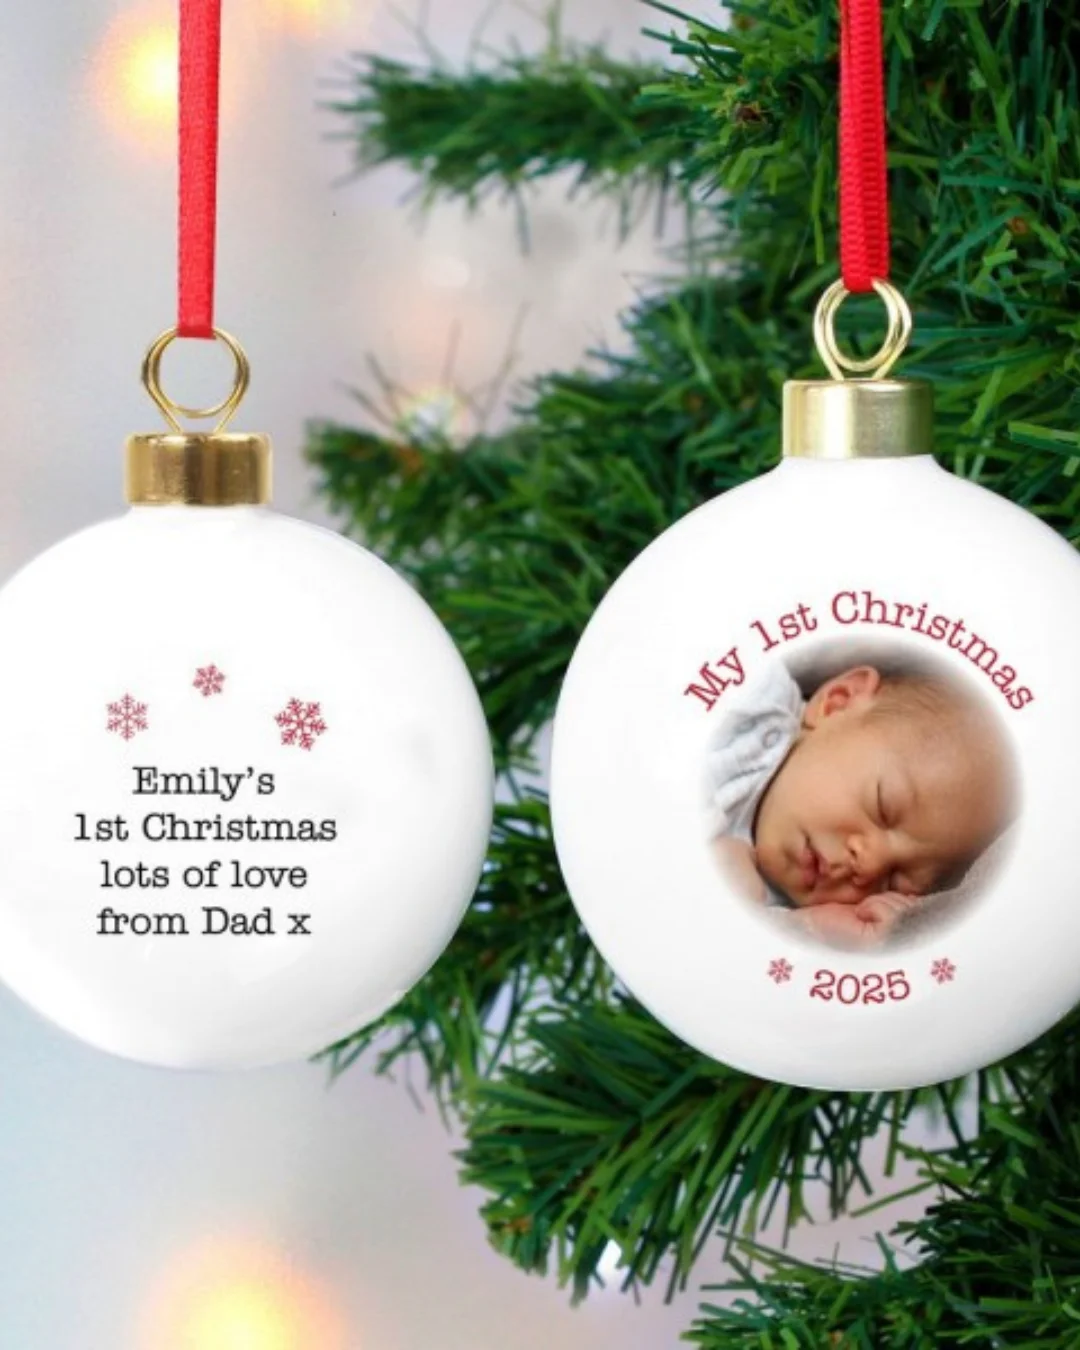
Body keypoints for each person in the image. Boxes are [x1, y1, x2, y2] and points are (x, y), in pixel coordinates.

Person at [705, 659, 1016, 949]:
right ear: (838, 702)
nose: (869, 864)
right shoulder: (751, 698)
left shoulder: (781, 920)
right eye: (883, 806)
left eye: (891, 882)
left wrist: (807, 925)